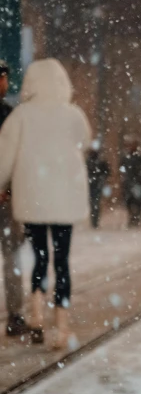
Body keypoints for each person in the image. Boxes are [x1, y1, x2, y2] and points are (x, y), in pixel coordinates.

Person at [0, 58, 91, 348]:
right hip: (65, 200)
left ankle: (37, 315)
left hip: (34, 200)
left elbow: (4, 157)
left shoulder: (21, 115)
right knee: (61, 261)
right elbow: (84, 142)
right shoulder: (73, 114)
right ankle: (62, 327)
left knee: (40, 257)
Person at [0, 59, 28, 337]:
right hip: (6, 198)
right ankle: (15, 315)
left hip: (7, 199)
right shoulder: (10, 115)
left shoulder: (10, 113)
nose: (4, 83)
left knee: (12, 259)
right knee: (12, 259)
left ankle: (15, 314)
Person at [120, 140, 141, 228]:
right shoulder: (126, 159)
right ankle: (132, 218)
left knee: (138, 202)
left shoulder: (140, 159)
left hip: (137, 183)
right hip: (130, 183)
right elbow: (123, 170)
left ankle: (137, 218)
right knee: (129, 202)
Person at [86, 142, 110, 228]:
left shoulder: (99, 161)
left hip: (97, 184)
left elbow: (106, 171)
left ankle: (95, 220)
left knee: (95, 203)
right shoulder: (89, 161)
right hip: (93, 184)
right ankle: (94, 220)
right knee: (94, 203)